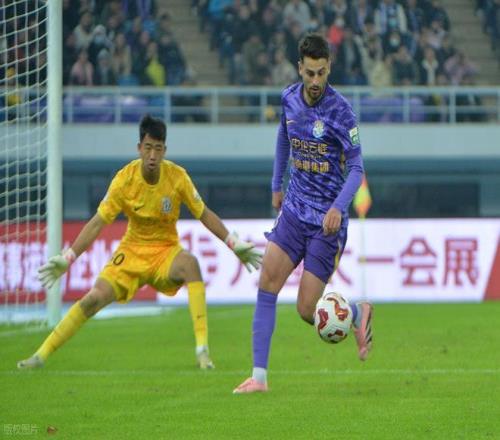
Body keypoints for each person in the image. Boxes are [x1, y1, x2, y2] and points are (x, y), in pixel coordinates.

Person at [18, 115, 262, 371]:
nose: (153, 155)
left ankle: (202, 351)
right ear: (139, 148)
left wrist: (232, 243)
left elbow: (204, 213)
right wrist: (68, 257)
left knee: (191, 264)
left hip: (165, 252)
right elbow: (97, 223)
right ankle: (40, 356)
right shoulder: (124, 180)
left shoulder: (177, 177)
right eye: (148, 148)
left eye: (158, 148)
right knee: (92, 299)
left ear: (164, 150)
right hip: (131, 252)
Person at [233, 34, 373, 394]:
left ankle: (356, 313)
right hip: (294, 211)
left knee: (307, 310)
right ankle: (259, 378)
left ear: (329, 69)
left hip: (326, 224)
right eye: (309, 73)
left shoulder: (342, 112)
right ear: (300, 68)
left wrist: (338, 207)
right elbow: (284, 137)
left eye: (321, 73)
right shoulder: (289, 99)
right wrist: (276, 184)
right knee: (267, 282)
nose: (315, 81)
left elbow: (356, 168)